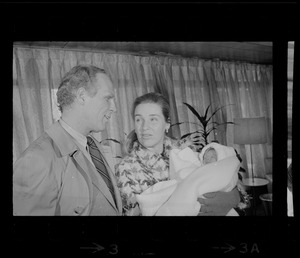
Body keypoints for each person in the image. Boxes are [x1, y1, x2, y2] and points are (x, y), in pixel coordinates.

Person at [13, 65, 123, 216]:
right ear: (82, 96)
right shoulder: (36, 159)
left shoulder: (94, 147)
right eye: (108, 98)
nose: (114, 108)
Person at [115, 92, 243, 216]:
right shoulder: (125, 169)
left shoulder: (186, 150)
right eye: (139, 120)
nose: (144, 127)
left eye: (153, 119)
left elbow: (221, 180)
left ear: (167, 124)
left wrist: (233, 198)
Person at [136, 142, 240, 216]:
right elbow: (185, 175)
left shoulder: (185, 147)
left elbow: (230, 182)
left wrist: (234, 197)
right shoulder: (129, 168)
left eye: (153, 119)